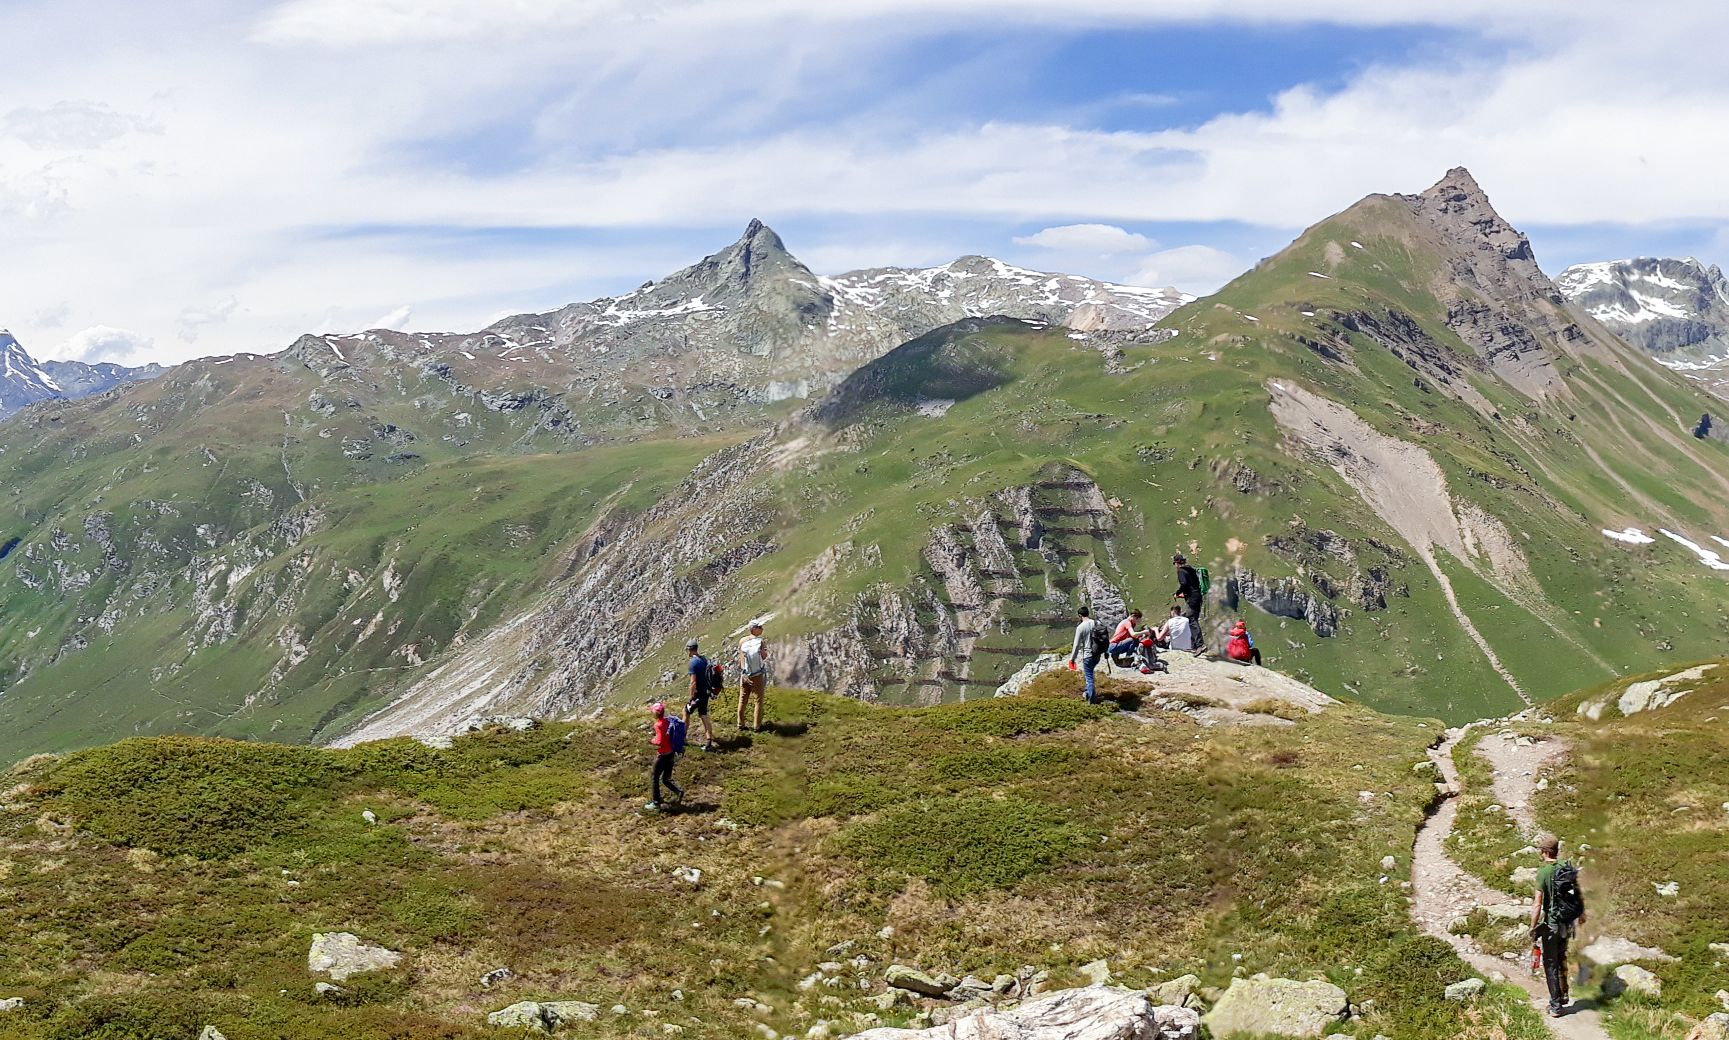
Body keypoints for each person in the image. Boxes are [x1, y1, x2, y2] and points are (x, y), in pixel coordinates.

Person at [1531, 833, 1587, 1017]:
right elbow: (1576, 892)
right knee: (1561, 956)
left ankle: (1556, 1006)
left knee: (1550, 963)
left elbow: (1538, 903)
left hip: (1552, 924)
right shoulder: (1566, 867)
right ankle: (1563, 995)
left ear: (1545, 852)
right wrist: (1581, 914)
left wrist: (1533, 927)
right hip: (1567, 922)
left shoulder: (1543, 872)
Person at [646, 702, 684, 811]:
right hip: (671, 753)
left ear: (655, 714)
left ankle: (656, 802)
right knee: (666, 778)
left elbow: (659, 741)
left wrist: (652, 740)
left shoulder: (658, 725)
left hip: (662, 755)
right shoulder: (668, 720)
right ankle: (678, 792)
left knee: (655, 778)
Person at [736, 618, 769, 733]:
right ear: (754, 629)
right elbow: (764, 656)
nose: (762, 629)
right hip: (757, 675)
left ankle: (740, 723)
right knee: (758, 700)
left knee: (743, 699)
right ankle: (757, 726)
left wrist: (743, 672)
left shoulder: (742, 641)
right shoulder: (760, 641)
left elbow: (741, 660)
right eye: (759, 627)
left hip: (744, 675)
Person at [685, 639, 716, 752]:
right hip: (706, 692)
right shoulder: (704, 659)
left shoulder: (693, 663)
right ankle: (709, 741)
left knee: (686, 711)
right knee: (704, 715)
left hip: (699, 694)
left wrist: (691, 697)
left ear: (689, 650)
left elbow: (693, 682)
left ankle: (682, 738)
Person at [1066, 605, 1101, 704]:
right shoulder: (1097, 623)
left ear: (1079, 615)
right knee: (1090, 674)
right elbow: (1103, 638)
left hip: (1088, 655)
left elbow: (1076, 645)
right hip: (1097, 654)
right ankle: (1087, 692)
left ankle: (1092, 699)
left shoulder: (1080, 627)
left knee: (1089, 677)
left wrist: (1072, 659)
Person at [1172, 553, 1206, 654]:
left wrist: (1177, 593)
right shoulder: (1190, 569)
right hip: (1197, 596)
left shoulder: (1181, 571)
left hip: (1192, 598)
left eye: (1174, 563)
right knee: (1192, 619)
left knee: (1191, 619)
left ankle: (1200, 645)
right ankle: (1194, 646)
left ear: (1177, 563)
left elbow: (1184, 584)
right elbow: (1193, 585)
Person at [1109, 608, 1158, 673]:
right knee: (1133, 640)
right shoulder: (1127, 622)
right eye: (1137, 619)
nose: (1138, 622)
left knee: (1134, 641)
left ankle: (1122, 656)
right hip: (1113, 645)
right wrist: (1144, 632)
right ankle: (1128, 657)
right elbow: (1133, 635)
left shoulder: (1129, 623)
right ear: (1133, 617)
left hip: (1115, 645)